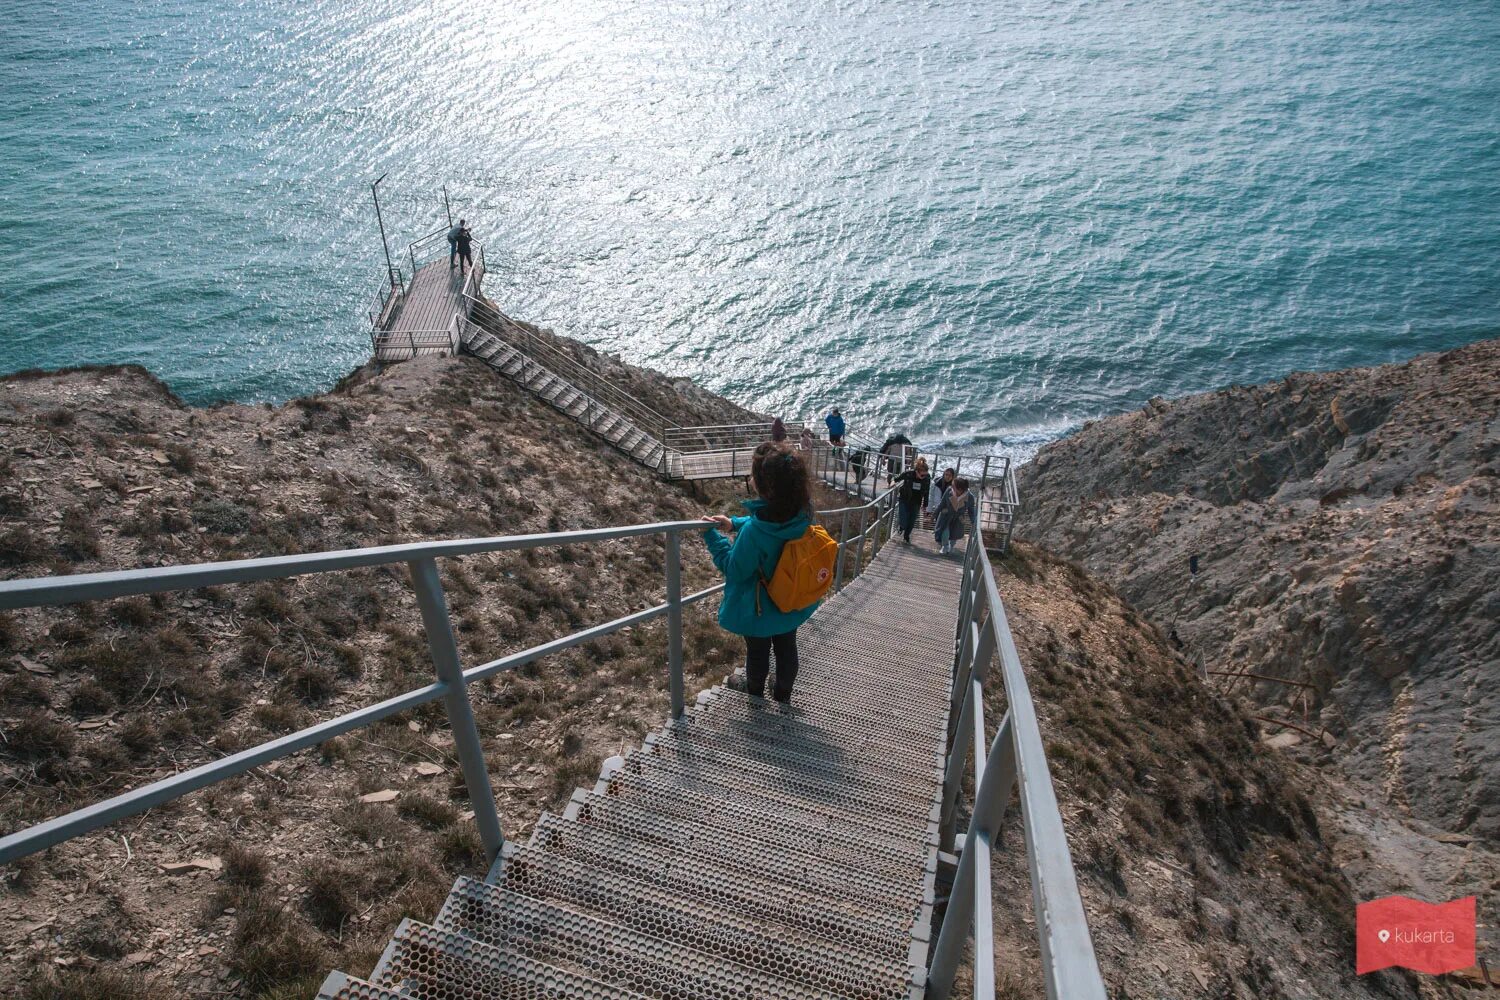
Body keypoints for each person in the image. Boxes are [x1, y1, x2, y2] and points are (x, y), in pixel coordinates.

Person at [700, 442, 819, 704]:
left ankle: (754, 694)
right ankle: (782, 695)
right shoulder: (803, 513)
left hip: (759, 608)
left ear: (766, 487)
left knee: (758, 652)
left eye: (754, 475)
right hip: (791, 601)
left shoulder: (755, 533)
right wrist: (735, 523)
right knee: (787, 647)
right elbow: (772, 525)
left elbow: (734, 568)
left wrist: (711, 536)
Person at [934, 476, 978, 555]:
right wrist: (935, 513)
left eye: (953, 486)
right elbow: (942, 502)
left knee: (955, 533)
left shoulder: (970, 497)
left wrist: (973, 521)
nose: (951, 487)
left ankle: (951, 546)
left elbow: (971, 510)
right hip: (947, 515)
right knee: (945, 531)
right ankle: (945, 546)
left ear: (960, 489)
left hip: (959, 517)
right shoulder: (949, 490)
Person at [892, 457, 931, 544]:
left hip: (916, 502)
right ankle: (901, 527)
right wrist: (892, 483)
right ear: (917, 471)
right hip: (904, 499)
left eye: (925, 474)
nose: (924, 477)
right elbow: (896, 479)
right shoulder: (908, 474)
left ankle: (906, 537)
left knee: (912, 521)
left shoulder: (927, 478)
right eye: (922, 475)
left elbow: (927, 492)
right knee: (904, 520)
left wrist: (925, 505)